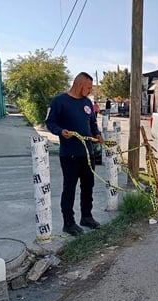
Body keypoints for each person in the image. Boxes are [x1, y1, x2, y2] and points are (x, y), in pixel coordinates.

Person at [45, 72, 104, 236]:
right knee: (69, 189)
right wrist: (60, 131)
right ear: (79, 85)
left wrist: (97, 134)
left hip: (87, 154)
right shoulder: (59, 101)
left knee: (88, 187)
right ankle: (69, 223)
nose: (91, 90)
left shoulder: (87, 103)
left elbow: (92, 122)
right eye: (89, 87)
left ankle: (87, 217)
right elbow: (50, 122)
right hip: (69, 155)